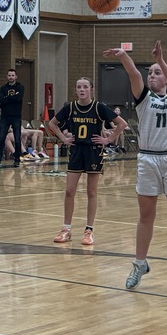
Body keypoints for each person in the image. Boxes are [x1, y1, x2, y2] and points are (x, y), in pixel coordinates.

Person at [104, 41, 167, 295]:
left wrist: (162, 60)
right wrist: (123, 56)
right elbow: (134, 74)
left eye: (157, 73)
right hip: (148, 159)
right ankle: (139, 263)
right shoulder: (143, 99)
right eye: (151, 72)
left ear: (165, 78)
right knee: (146, 216)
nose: (153, 76)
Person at [49, 77, 126, 246]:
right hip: (76, 151)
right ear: (75, 90)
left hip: (93, 152)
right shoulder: (70, 108)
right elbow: (52, 123)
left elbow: (121, 124)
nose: (82, 90)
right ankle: (66, 229)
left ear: (91, 89)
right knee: (69, 191)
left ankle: (89, 230)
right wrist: (63, 138)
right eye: (79, 87)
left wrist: (108, 140)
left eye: (85, 87)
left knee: (91, 192)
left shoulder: (99, 108)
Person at [0, 69, 25, 167]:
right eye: (9, 75)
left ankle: (17, 159)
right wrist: (12, 98)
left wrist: (7, 98)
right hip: (5, 117)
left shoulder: (20, 87)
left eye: (12, 75)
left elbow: (19, 98)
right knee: (1, 138)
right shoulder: (3, 88)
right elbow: (1, 100)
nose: (11, 77)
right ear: (7, 77)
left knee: (17, 139)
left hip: (16, 116)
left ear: (16, 77)